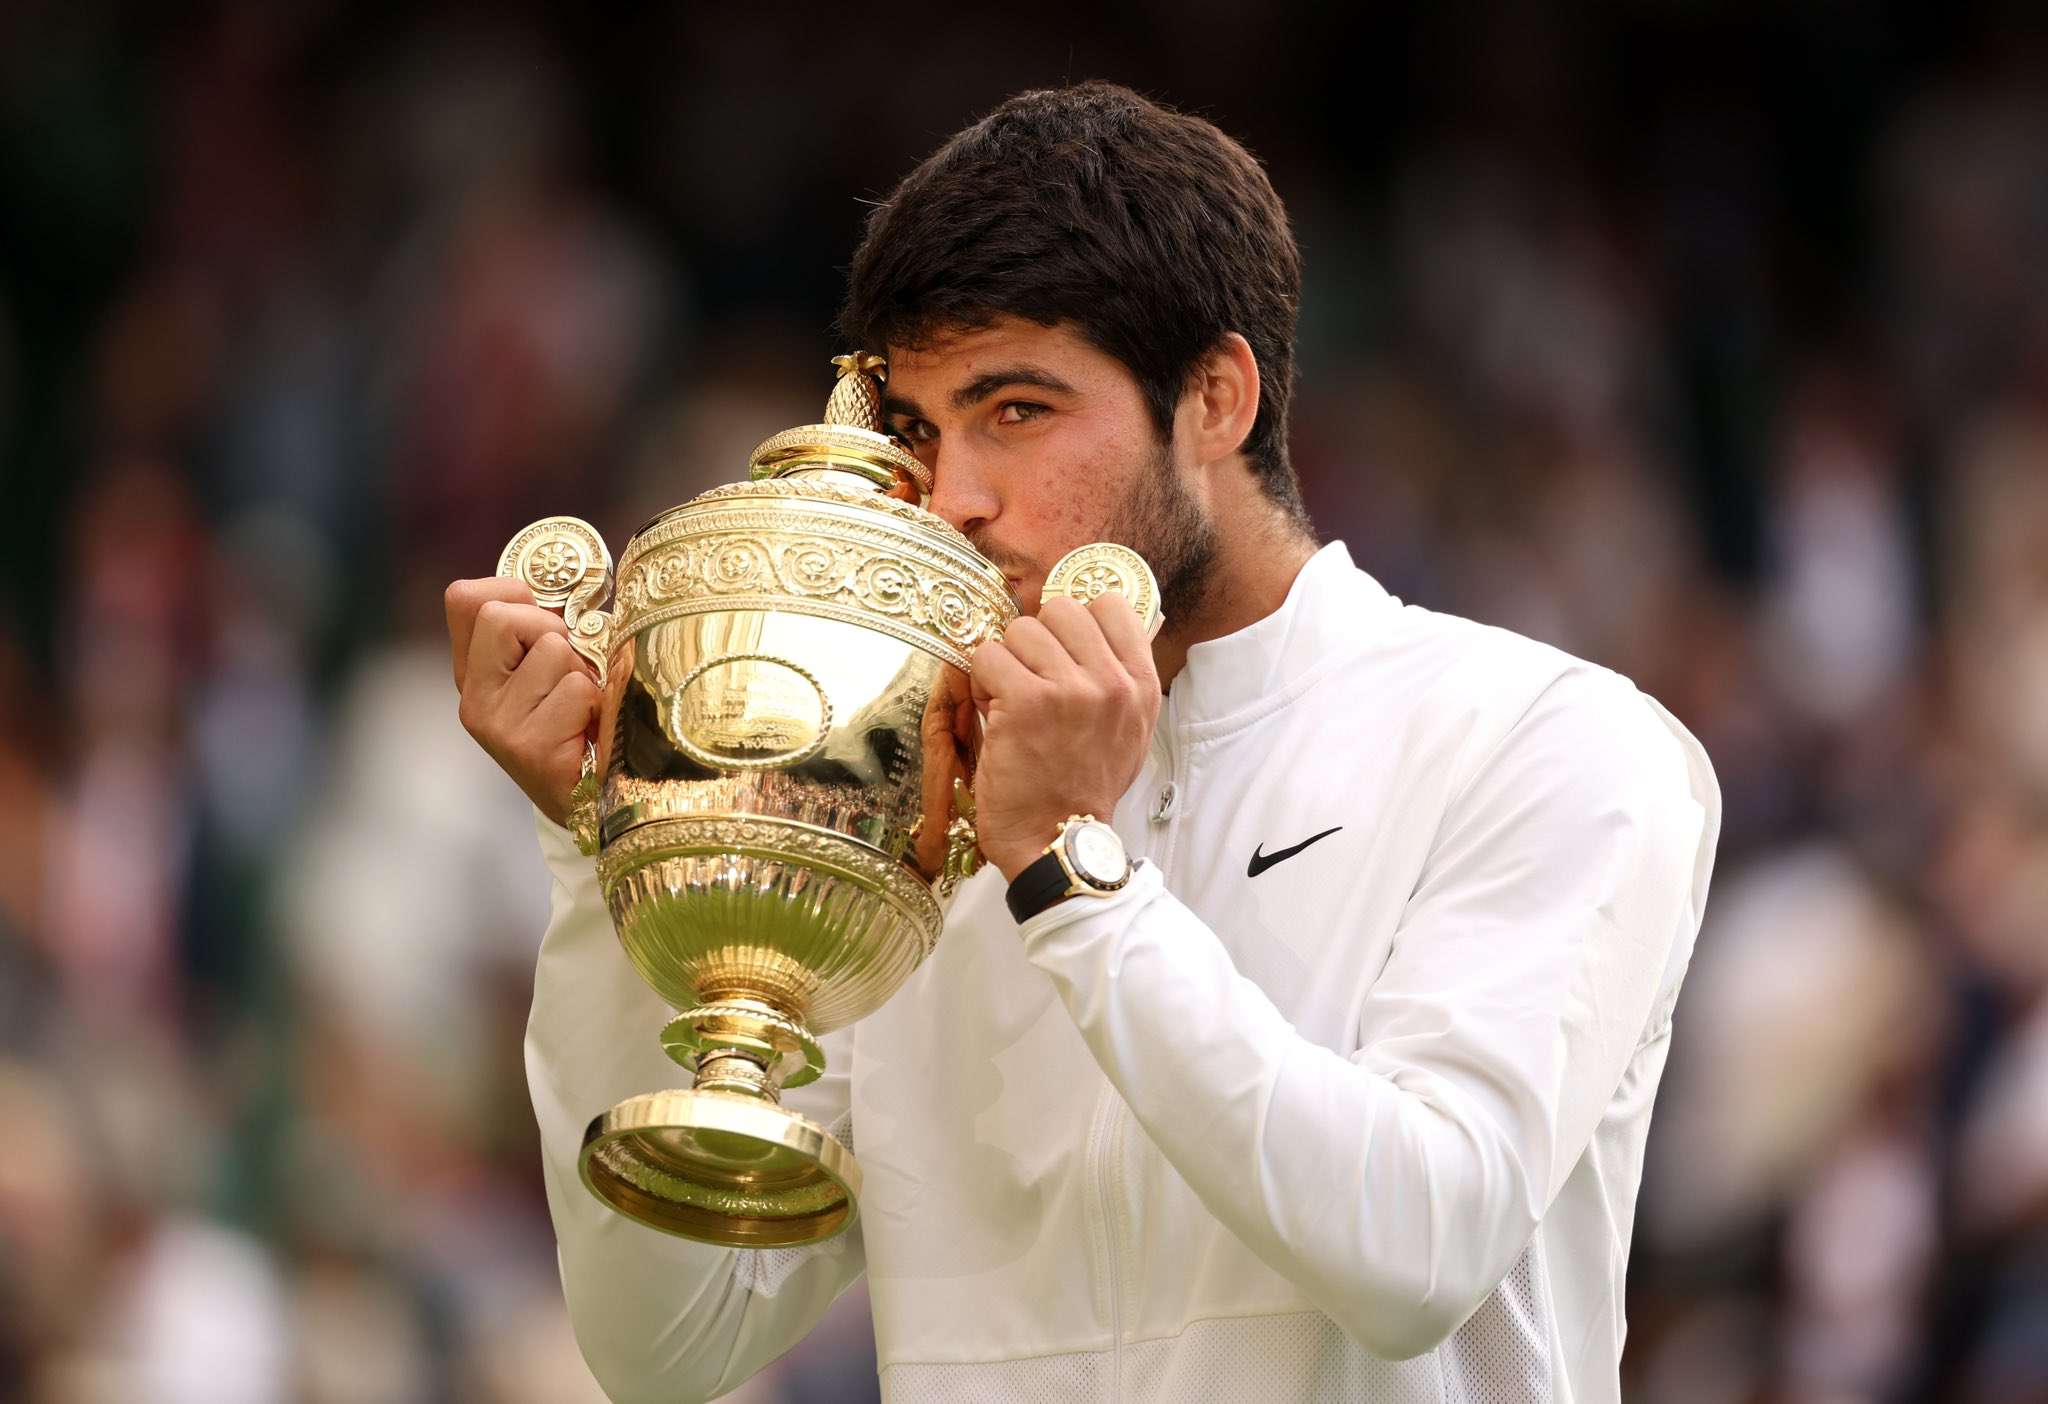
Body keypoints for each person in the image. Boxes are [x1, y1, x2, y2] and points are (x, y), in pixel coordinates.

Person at [444, 82, 1720, 1404]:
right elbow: (664, 1344)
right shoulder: (908, 805)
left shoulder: (1552, 742)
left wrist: (1067, 873)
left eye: (1017, 411)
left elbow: (1421, 1248)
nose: (956, 500)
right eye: (921, 433)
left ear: (1216, 401)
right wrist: (604, 852)